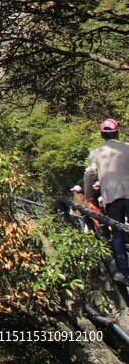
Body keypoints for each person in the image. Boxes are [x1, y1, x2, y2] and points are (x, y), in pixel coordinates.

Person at [84, 119, 129, 283]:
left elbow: (89, 174)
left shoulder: (96, 153)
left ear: (101, 134)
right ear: (117, 133)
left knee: (117, 234)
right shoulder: (127, 147)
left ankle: (124, 272)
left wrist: (89, 195)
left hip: (112, 198)